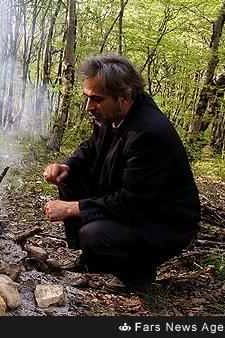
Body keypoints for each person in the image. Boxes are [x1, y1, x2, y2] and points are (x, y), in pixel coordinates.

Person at [43, 53, 201, 289]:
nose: (88, 107)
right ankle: (90, 258)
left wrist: (71, 208)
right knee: (69, 177)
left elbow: (131, 203)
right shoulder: (114, 113)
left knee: (94, 235)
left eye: (96, 99)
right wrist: (68, 166)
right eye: (87, 98)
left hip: (163, 222)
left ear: (125, 97)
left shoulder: (149, 133)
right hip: (134, 205)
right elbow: (91, 147)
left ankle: (137, 273)